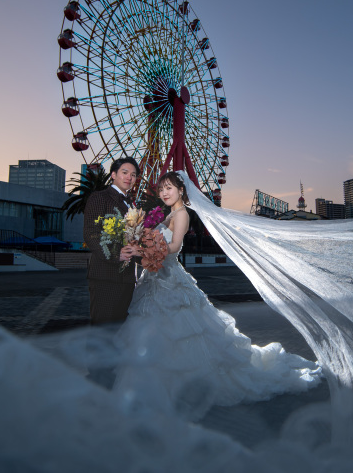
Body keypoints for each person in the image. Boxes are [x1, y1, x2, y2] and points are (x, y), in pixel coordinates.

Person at [114, 172, 321, 416]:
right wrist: (144, 245)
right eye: (161, 189)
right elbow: (161, 243)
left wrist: (143, 248)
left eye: (169, 188)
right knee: (156, 330)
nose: (164, 193)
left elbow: (175, 247)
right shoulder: (169, 214)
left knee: (177, 330)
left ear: (182, 190)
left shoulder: (181, 214)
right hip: (157, 277)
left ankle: (171, 386)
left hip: (169, 279)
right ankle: (150, 385)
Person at [83, 157, 141, 325]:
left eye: (133, 174)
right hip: (105, 275)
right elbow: (90, 233)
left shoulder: (132, 206)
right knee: (102, 331)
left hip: (128, 278)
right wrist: (116, 255)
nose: (129, 177)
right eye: (124, 172)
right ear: (114, 174)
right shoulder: (99, 198)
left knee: (118, 331)